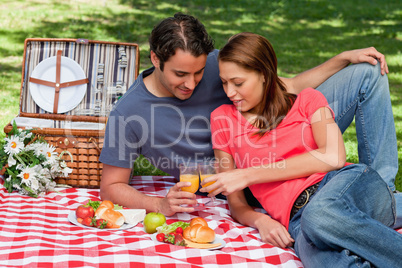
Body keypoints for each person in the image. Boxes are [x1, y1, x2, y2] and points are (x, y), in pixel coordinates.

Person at [99, 13, 399, 224]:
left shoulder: (218, 65)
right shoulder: (129, 113)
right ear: (155, 59)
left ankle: (382, 188)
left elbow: (288, 87)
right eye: (180, 74)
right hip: (247, 183)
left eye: (199, 73)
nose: (191, 83)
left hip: (281, 143)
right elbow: (111, 187)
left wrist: (343, 58)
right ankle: (383, 207)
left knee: (367, 71)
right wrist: (159, 204)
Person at [205, 32, 401, 267]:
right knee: (323, 261)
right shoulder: (221, 119)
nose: (229, 92)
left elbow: (333, 156)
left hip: (340, 185)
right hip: (296, 221)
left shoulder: (307, 99)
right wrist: (260, 221)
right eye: (224, 82)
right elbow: (236, 203)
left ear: (264, 75)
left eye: (238, 83)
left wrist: (248, 174)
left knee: (319, 215)